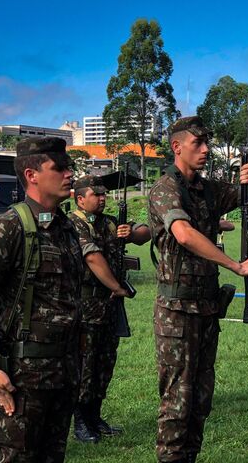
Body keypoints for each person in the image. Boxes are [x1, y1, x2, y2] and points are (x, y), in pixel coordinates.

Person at [149, 116, 248, 463]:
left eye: (207, 143)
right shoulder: (165, 188)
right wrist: (234, 265)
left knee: (201, 398)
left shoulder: (208, 189)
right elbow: (183, 234)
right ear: (177, 147)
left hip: (206, 307)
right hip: (177, 310)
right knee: (178, 398)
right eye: (198, 144)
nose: (206, 150)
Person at [0, 137, 83, 462]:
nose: (69, 174)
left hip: (63, 372)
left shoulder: (65, 227)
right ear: (31, 175)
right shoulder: (10, 227)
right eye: (59, 168)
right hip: (24, 379)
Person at [69, 175, 151, 443]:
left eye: (104, 195)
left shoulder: (109, 222)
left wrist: (133, 232)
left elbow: (144, 234)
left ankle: (95, 416)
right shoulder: (73, 224)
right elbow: (92, 257)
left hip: (108, 305)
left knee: (105, 362)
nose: (102, 199)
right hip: (86, 304)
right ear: (80, 199)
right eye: (96, 195)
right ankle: (81, 421)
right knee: (85, 364)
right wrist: (116, 287)